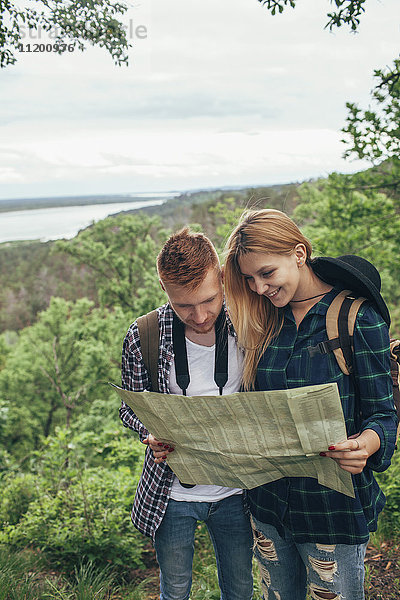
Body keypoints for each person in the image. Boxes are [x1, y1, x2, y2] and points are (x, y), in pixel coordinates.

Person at [223, 208, 397, 600]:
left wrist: (366, 445)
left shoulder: (356, 319)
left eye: (266, 273)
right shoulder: (260, 319)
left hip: (330, 510)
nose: (259, 288)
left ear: (298, 253)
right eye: (249, 279)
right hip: (268, 505)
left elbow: (383, 416)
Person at [120, 227, 253, 600]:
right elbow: (129, 408)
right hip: (172, 492)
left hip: (237, 489)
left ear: (222, 276)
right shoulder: (144, 335)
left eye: (209, 300)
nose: (199, 315)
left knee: (241, 588)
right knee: (175, 589)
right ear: (164, 289)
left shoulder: (249, 323)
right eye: (184, 306)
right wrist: (149, 432)